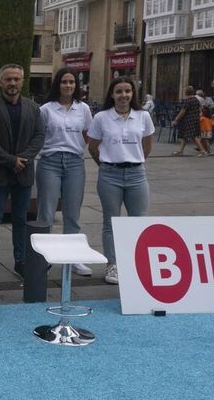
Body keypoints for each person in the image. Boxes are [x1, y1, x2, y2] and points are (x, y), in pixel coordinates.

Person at [87, 76, 155, 285]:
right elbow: (93, 146)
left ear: (133, 94)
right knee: (110, 222)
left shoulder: (143, 116)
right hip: (110, 175)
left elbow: (147, 145)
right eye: (119, 91)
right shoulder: (101, 117)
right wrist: (108, 165)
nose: (123, 95)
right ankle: (112, 264)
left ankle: (136, 262)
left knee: (138, 220)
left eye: (127, 91)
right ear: (112, 94)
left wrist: (133, 161)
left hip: (136, 174)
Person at [0, 63, 44, 276]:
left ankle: (21, 260)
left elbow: (39, 136)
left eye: (16, 79)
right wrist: (10, 160)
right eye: (8, 79)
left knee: (20, 219)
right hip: (0, 173)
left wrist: (23, 159)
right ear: (0, 82)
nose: (12, 83)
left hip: (24, 173)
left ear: (22, 81)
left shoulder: (33, 108)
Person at [35, 68, 94, 276]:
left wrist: (75, 148)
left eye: (71, 82)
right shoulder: (46, 109)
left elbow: (87, 134)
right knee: (47, 213)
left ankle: (73, 258)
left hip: (75, 163)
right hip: (50, 161)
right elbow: (39, 135)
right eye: (64, 82)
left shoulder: (83, 108)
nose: (68, 86)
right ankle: (43, 258)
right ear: (57, 85)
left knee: (72, 213)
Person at [171, 86, 206, 157]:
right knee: (185, 136)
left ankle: (202, 151)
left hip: (188, 121)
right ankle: (180, 151)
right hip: (195, 119)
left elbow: (182, 111)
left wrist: (176, 119)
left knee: (193, 136)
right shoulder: (196, 100)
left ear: (186, 92)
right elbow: (200, 109)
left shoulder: (187, 100)